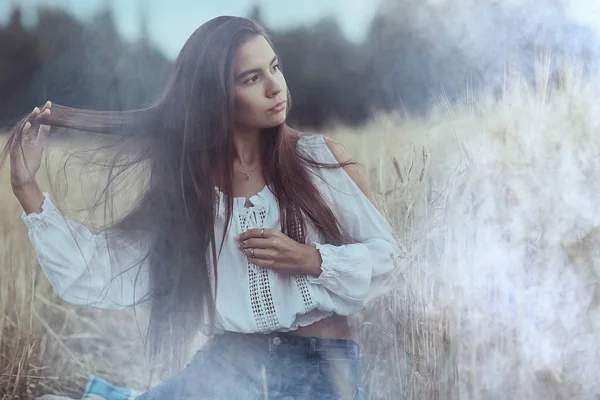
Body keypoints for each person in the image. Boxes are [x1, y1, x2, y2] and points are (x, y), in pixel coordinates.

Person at [2, 16, 400, 399]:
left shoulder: (320, 161)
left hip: (317, 369)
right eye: (251, 78)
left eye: (274, 68)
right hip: (227, 368)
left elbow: (390, 261)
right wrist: (25, 186)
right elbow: (98, 271)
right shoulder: (190, 191)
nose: (275, 87)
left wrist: (311, 259)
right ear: (215, 96)